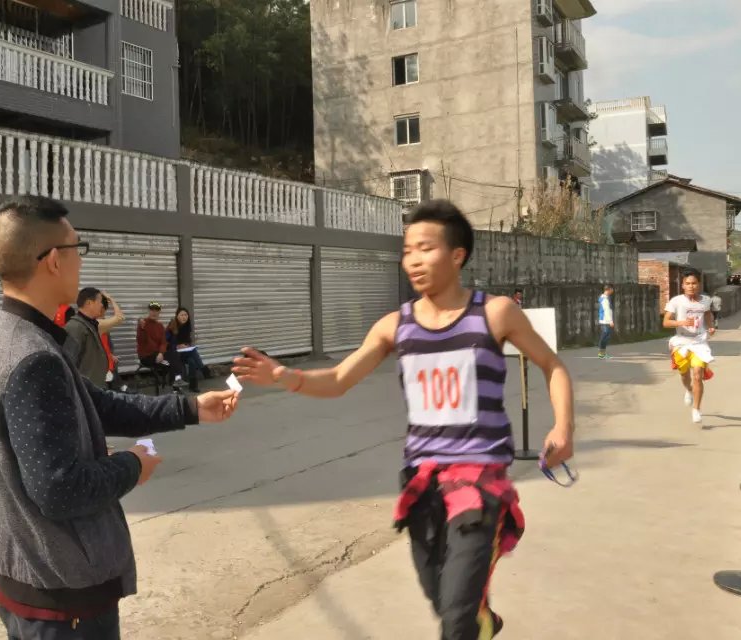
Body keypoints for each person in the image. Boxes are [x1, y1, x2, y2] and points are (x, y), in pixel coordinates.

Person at [233, 199, 574, 640]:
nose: (412, 260)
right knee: (441, 597)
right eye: (407, 250)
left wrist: (563, 427)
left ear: (457, 255)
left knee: (455, 616)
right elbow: (338, 379)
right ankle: (483, 621)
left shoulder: (495, 314)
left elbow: (552, 365)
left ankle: (471, 620)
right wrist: (284, 376)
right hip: (421, 482)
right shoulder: (395, 326)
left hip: (480, 480)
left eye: (425, 248)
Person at [0, 195, 239, 640]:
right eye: (78, 248)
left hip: (30, 581)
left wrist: (191, 407)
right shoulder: (32, 357)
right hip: (61, 599)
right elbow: (59, 489)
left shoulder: (2, 337)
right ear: (53, 260)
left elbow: (97, 403)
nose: (81, 260)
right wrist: (134, 465)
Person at [663, 270, 716, 424]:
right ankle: (688, 389)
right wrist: (681, 322)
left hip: (699, 342)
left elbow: (707, 314)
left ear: (699, 285)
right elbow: (665, 322)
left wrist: (710, 326)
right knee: (684, 374)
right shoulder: (676, 301)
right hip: (682, 342)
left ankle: (696, 409)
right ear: (683, 285)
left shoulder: (705, 301)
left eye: (694, 283)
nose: (691, 286)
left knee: (698, 374)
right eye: (688, 283)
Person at [64, 288, 114, 388]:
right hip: (86, 389)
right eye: (99, 302)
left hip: (95, 386)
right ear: (89, 303)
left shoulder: (91, 324)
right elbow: (69, 363)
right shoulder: (75, 327)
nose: (102, 305)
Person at [138, 302, 184, 386]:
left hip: (158, 354)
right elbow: (141, 341)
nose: (154, 312)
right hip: (146, 356)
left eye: (156, 311)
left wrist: (161, 353)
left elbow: (164, 342)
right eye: (152, 310)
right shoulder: (143, 323)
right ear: (149, 311)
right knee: (171, 361)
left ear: (159, 312)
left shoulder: (160, 326)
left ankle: (176, 382)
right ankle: (175, 385)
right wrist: (142, 328)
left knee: (175, 355)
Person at [167, 307, 209, 392]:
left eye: (186, 315)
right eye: (182, 315)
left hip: (184, 353)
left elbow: (188, 341)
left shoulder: (187, 326)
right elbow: (165, 343)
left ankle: (193, 386)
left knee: (192, 361)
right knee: (193, 352)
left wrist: (186, 345)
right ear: (177, 316)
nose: (184, 317)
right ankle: (203, 368)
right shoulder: (171, 326)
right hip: (174, 354)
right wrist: (177, 346)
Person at [598, 284, 615, 359]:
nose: (613, 291)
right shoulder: (605, 299)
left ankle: (602, 353)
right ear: (609, 289)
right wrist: (610, 321)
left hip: (605, 320)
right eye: (612, 289)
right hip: (605, 321)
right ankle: (601, 354)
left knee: (605, 337)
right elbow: (606, 310)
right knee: (604, 338)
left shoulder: (605, 298)